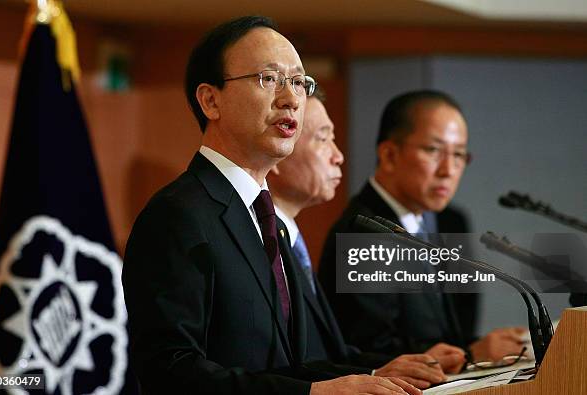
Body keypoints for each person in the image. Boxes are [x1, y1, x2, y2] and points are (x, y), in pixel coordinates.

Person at [122, 16, 420, 395]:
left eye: (298, 82)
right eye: (269, 78)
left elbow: (290, 364)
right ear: (211, 100)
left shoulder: (270, 222)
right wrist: (313, 393)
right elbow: (170, 370)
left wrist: (375, 376)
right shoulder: (178, 215)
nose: (291, 98)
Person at [318, 90, 526, 373]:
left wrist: (485, 348)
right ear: (389, 154)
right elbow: (370, 354)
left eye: (459, 155)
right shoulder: (362, 234)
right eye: (433, 150)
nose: (448, 169)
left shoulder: (449, 221)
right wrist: (470, 354)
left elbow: (451, 333)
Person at [268, 90, 450, 389]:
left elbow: (326, 354)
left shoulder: (287, 237)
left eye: (459, 154)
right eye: (322, 138)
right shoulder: (362, 232)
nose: (338, 156)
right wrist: (376, 372)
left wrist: (378, 371)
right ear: (276, 153)